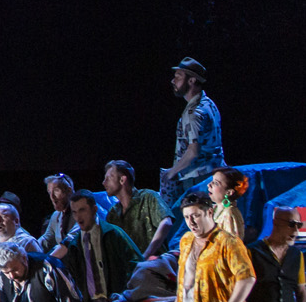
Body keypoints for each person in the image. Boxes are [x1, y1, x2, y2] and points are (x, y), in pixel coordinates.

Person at [50, 192, 142, 302]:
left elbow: (136, 264)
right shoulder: (75, 246)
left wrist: (125, 294)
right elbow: (74, 281)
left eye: (82, 210)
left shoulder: (113, 234)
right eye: (74, 212)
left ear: (94, 210)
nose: (78, 217)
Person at [160, 57, 226, 209]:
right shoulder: (209, 104)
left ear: (191, 80)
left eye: (178, 77)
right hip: (214, 173)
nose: (173, 81)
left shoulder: (194, 112)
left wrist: (172, 173)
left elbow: (193, 151)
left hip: (198, 178)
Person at [103, 160, 176, 258]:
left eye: (109, 178)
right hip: (129, 266)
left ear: (122, 180)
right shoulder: (113, 213)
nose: (104, 182)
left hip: (154, 262)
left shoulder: (148, 197)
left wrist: (145, 256)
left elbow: (166, 222)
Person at [36, 174, 78, 252]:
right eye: (49, 192)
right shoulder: (56, 215)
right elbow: (46, 240)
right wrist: (28, 246)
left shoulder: (82, 211)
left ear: (69, 191)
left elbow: (72, 238)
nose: (52, 197)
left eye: (56, 190)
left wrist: (52, 256)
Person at [208, 167, 249, 241]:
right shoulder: (214, 208)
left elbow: (232, 244)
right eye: (212, 181)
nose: (209, 185)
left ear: (229, 192)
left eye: (216, 183)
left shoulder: (230, 214)